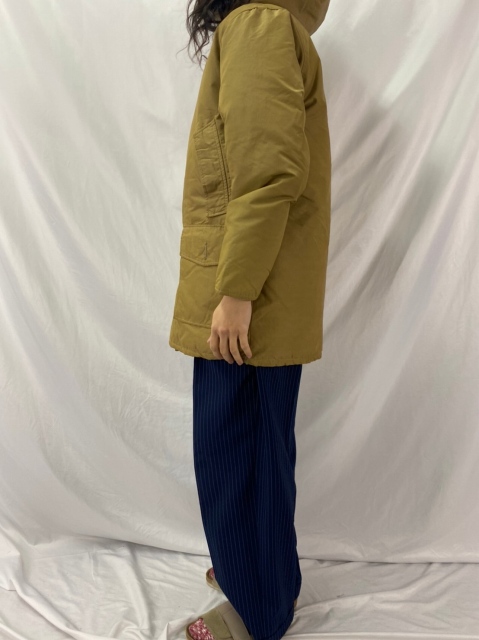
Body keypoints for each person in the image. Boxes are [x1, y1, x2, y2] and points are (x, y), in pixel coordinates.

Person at [170, 1, 332, 639]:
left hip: (246, 299)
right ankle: (267, 578)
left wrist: (236, 291)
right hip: (262, 289)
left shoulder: (257, 24)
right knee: (259, 447)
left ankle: (254, 610)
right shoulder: (274, 25)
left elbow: (267, 171)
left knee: (233, 448)